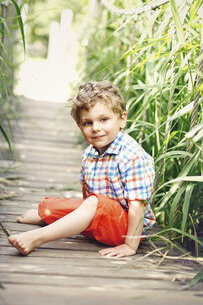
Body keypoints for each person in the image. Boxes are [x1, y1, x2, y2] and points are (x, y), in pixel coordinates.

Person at [8, 80, 155, 257]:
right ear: (80, 126)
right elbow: (87, 195)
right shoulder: (89, 154)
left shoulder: (131, 155)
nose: (96, 128)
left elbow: (137, 207)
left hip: (127, 230)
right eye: (88, 123)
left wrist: (130, 246)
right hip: (100, 216)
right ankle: (45, 215)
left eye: (104, 119)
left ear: (122, 119)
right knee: (50, 206)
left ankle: (37, 237)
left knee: (92, 204)